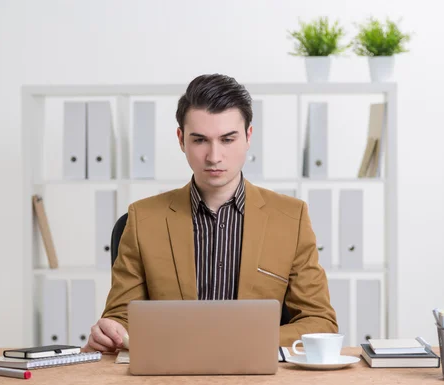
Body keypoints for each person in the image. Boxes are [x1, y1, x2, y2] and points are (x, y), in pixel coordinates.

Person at [83, 73, 337, 352]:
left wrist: (240, 341)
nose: (214, 157)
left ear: (248, 137)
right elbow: (122, 317)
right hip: (170, 375)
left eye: (228, 140)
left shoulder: (291, 218)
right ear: (181, 139)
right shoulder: (142, 220)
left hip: (257, 374)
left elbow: (320, 321)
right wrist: (111, 332)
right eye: (200, 140)